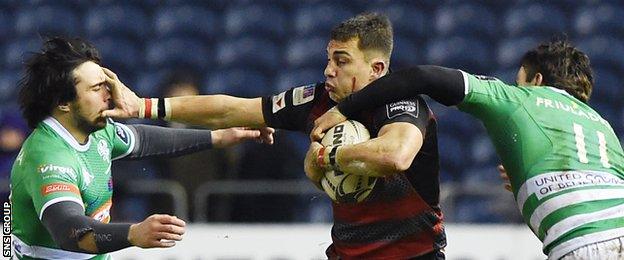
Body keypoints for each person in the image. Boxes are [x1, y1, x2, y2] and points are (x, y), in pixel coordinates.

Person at [104, 13, 447, 259]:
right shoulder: (319, 101)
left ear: (377, 69)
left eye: (341, 61)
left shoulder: (403, 105)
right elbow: (230, 110)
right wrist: (143, 106)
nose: (329, 70)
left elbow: (395, 155)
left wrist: (326, 157)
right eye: (329, 59)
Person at [311, 40, 624, 260]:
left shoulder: (519, 99)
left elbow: (422, 77)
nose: (515, 87)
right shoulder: (603, 126)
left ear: (537, 80)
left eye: (519, 82)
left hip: (585, 245)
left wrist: (346, 108)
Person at [10, 37, 274, 260]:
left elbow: (144, 139)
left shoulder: (99, 131)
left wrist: (218, 137)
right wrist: (133, 233)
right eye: (97, 88)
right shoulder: (48, 156)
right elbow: (70, 231)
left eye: (107, 85)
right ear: (63, 103)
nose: (110, 95)